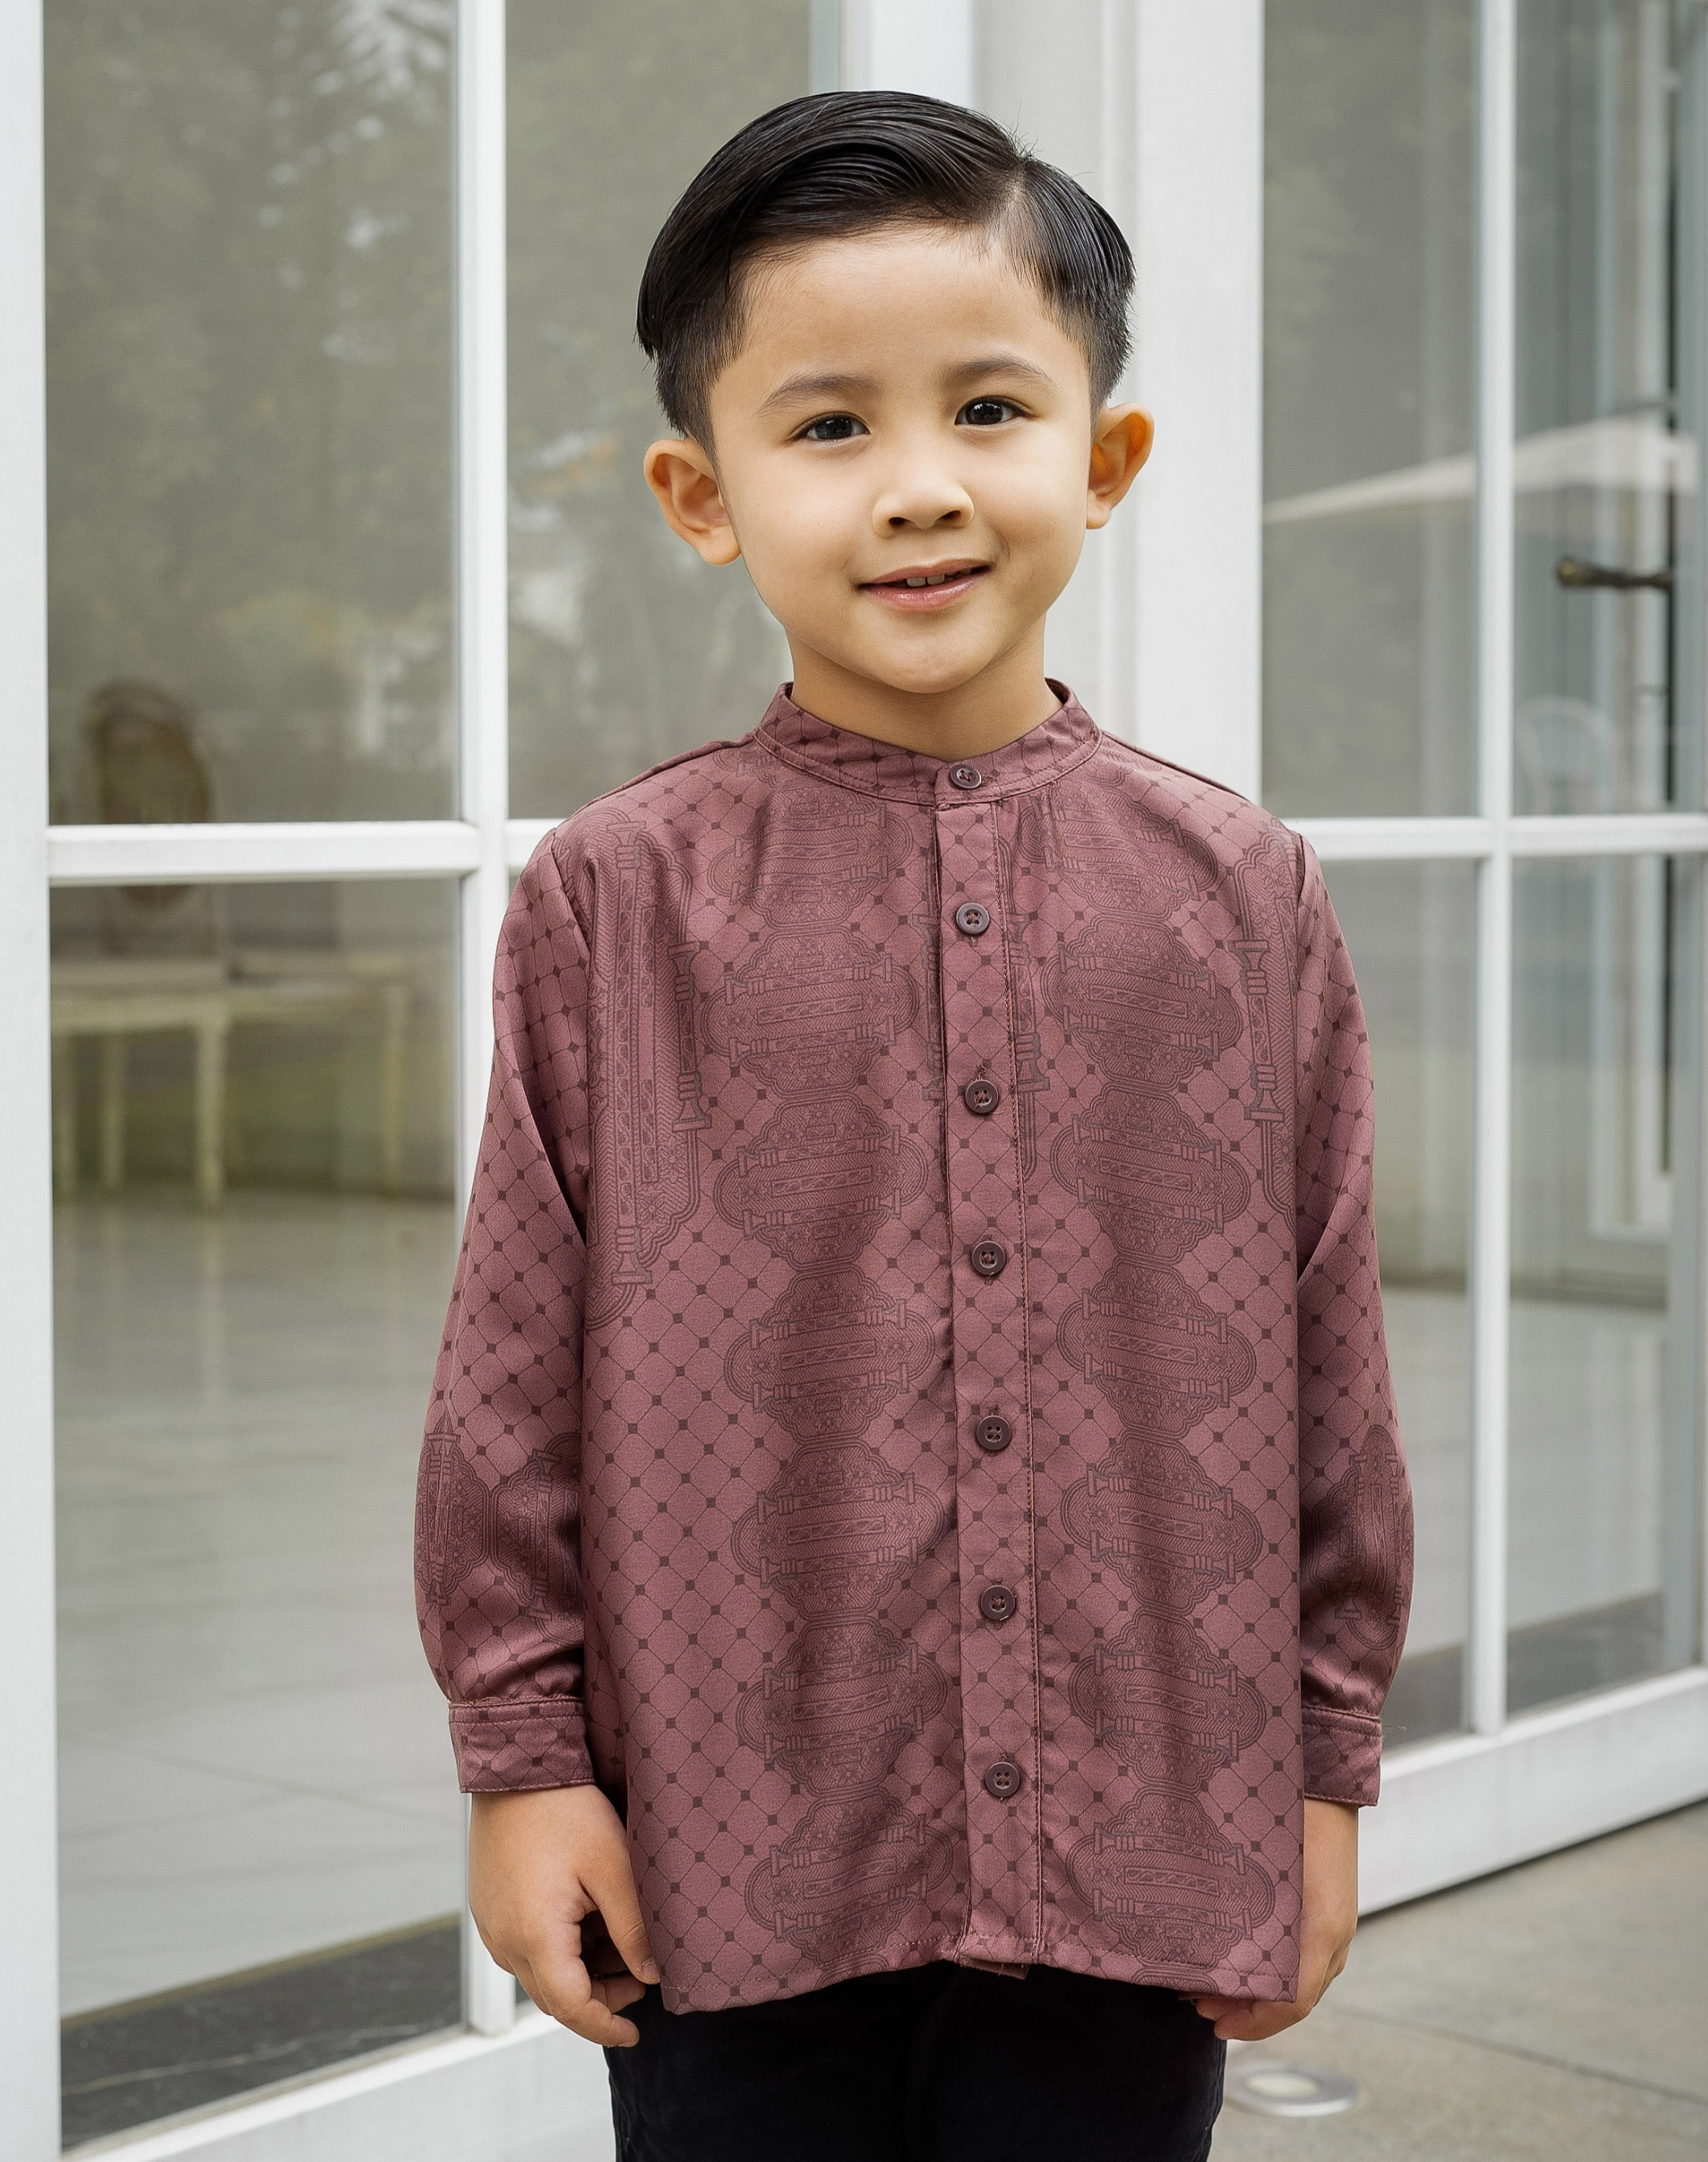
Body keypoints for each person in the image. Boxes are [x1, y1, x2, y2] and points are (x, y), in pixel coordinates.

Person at [414, 89, 1412, 2162]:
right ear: (703, 496)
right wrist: (524, 1761)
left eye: (988, 407)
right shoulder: (615, 901)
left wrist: (1321, 1772)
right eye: (830, 425)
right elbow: (511, 1368)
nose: (921, 487)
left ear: (1104, 459)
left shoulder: (1243, 897)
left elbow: (1332, 1365)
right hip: (731, 1851)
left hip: (1143, 1849)